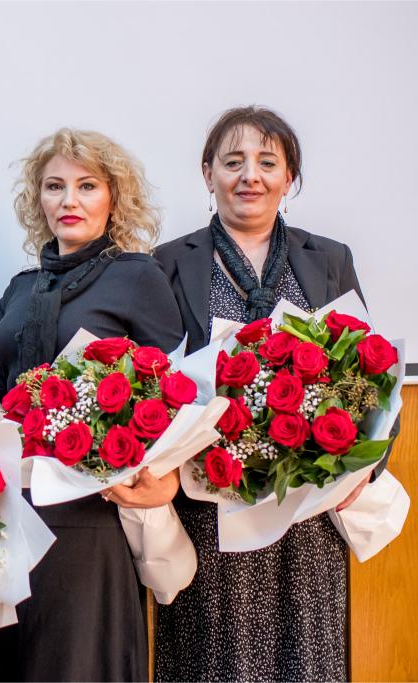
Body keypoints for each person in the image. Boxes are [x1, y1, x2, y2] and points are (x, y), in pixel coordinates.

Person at [153, 105, 371, 681]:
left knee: (309, 661)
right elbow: (155, 383)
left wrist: (363, 471)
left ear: (288, 177)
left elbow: (372, 379)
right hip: (211, 509)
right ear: (208, 174)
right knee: (214, 662)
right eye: (233, 162)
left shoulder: (330, 258)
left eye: (267, 162)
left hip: (309, 510)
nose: (250, 175)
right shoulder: (168, 263)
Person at [0, 129, 184, 681]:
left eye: (87, 186)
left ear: (114, 197)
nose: (69, 200)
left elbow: (175, 389)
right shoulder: (21, 288)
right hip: (10, 513)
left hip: (92, 516)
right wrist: (5, 421)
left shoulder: (138, 275)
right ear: (37, 199)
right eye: (54, 186)